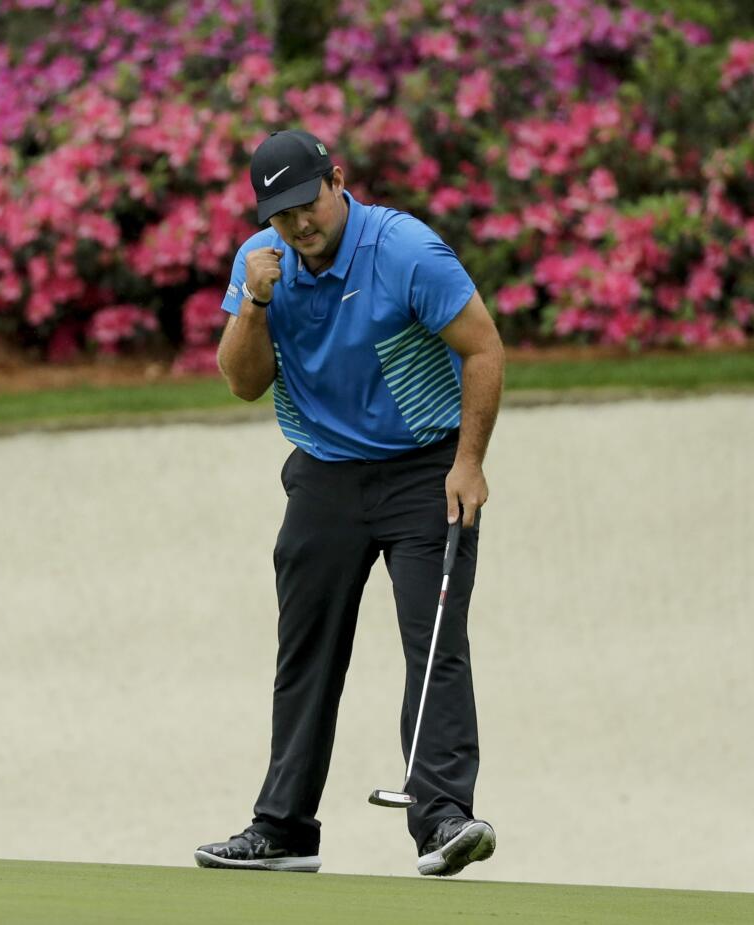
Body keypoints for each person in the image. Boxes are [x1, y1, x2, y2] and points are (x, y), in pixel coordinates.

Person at [194, 129, 505, 877]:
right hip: (324, 478)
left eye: (307, 203)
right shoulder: (258, 266)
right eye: (280, 214)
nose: (298, 224)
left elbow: (484, 348)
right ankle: (285, 827)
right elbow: (241, 380)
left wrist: (469, 463)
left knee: (434, 646)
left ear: (337, 180)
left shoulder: (406, 251)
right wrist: (254, 306)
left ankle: (441, 820)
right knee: (306, 650)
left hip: (423, 470)